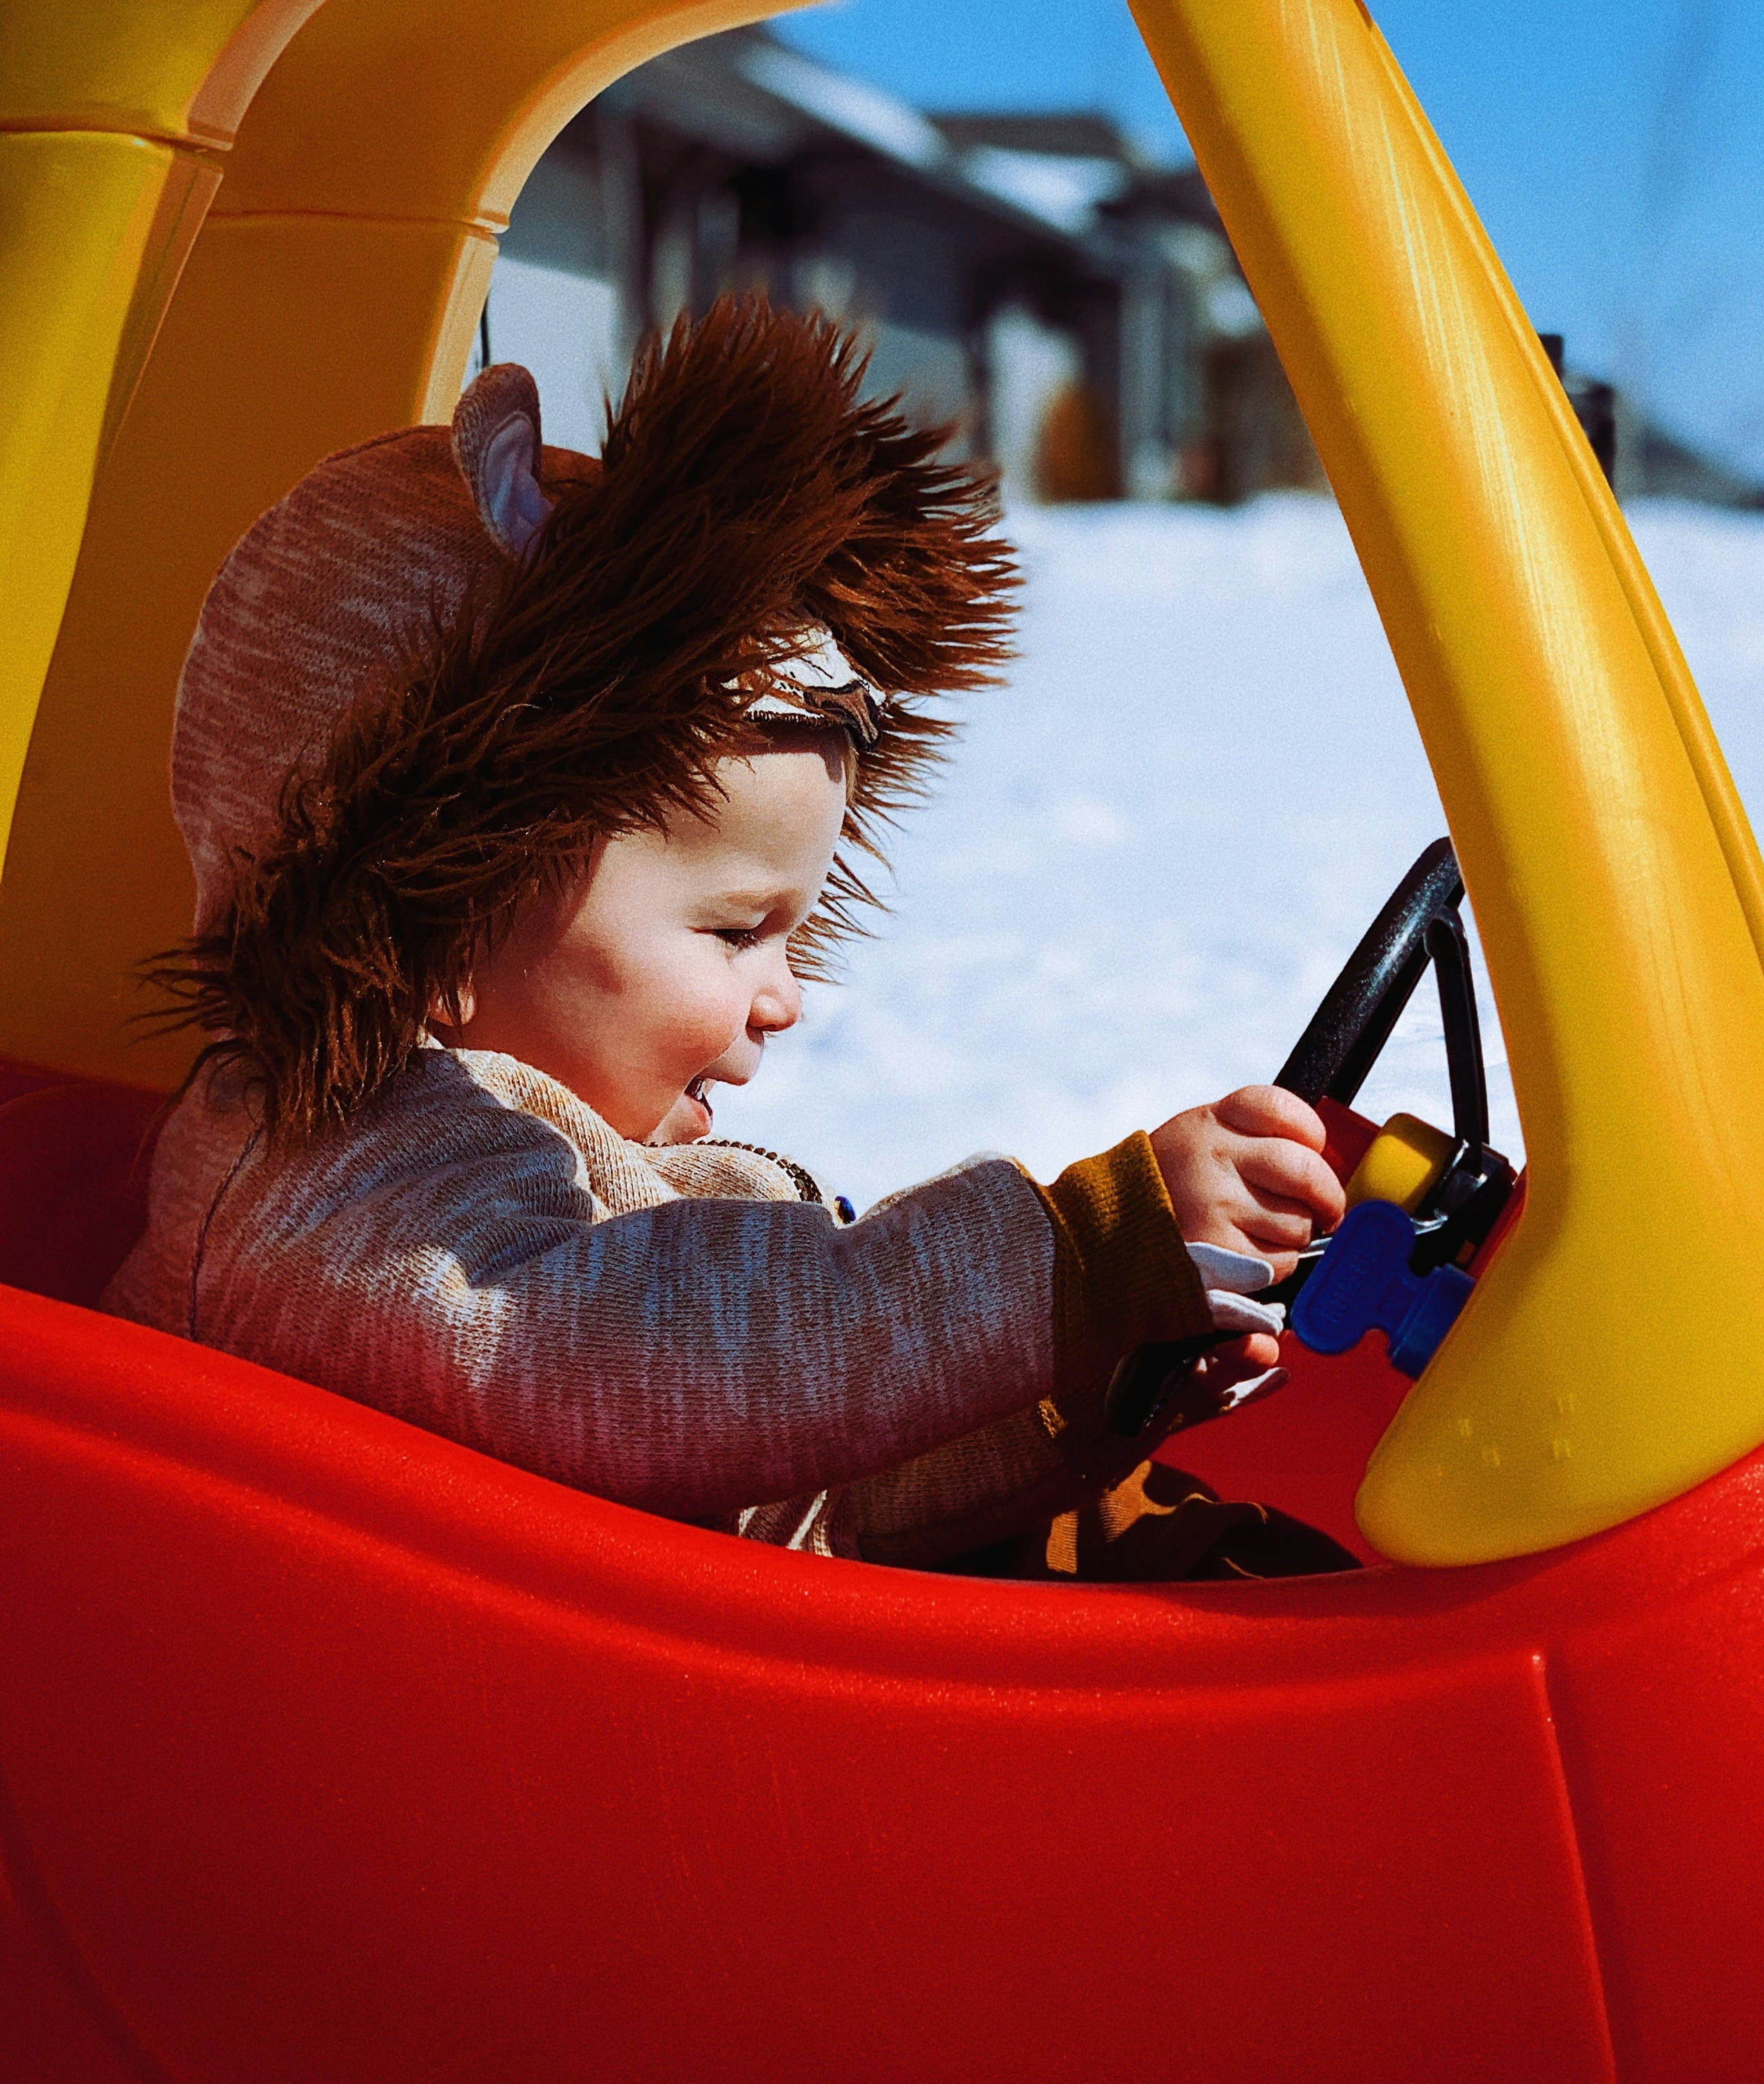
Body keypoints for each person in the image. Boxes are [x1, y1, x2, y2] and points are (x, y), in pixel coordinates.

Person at [106, 293, 1352, 1579]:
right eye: (735, 930)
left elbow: (800, 1506)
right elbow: (633, 1369)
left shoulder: (555, 1162)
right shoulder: (344, 1195)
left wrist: (1071, 1393)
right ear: (444, 908)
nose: (786, 997)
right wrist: (1069, 1257)